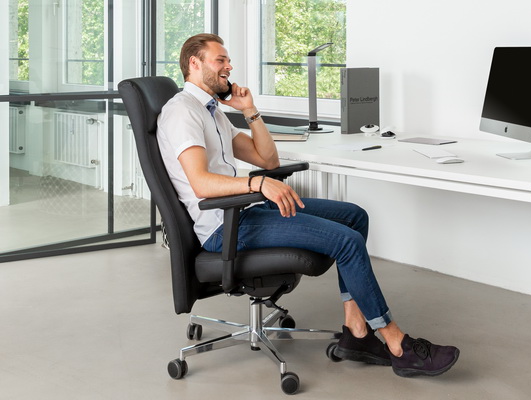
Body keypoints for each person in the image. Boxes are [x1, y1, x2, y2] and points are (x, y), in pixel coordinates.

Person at [156, 33, 459, 377]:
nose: (229, 66)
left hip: (243, 211)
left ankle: (356, 332)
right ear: (194, 64)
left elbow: (267, 159)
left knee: (354, 217)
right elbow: (201, 183)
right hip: (223, 228)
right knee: (347, 241)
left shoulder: (211, 111)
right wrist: (257, 183)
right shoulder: (182, 112)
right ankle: (396, 343)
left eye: (228, 60)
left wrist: (250, 110)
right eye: (220, 60)